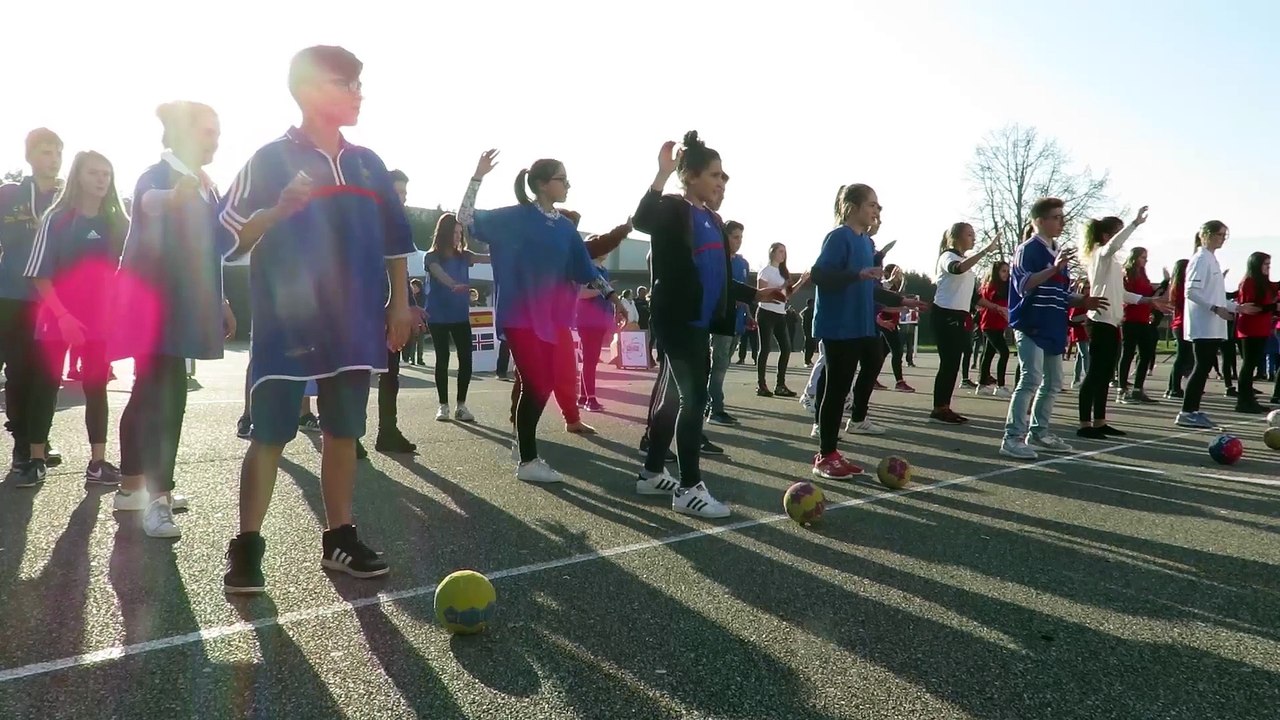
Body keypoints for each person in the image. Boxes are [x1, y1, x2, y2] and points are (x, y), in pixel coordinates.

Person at [219, 46, 416, 594]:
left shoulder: (368, 162)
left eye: (359, 83)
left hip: (353, 323)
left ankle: (340, 537)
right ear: (307, 90)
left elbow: (397, 243)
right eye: (344, 82)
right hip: (289, 323)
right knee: (271, 433)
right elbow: (226, 234)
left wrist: (398, 302)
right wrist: (278, 209)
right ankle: (247, 547)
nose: (357, 92)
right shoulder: (269, 158)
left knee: (343, 432)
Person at [634, 132, 782, 517]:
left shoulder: (712, 220)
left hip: (698, 322)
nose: (721, 182)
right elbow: (641, 219)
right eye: (715, 175)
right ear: (692, 176)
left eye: (723, 177)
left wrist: (754, 295)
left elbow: (715, 274)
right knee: (695, 399)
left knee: (673, 399)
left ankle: (651, 472)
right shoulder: (673, 209)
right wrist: (662, 174)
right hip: (677, 320)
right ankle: (688, 489)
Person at [110, 103, 237, 534]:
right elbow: (146, 203)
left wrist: (220, 302)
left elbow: (210, 251)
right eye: (207, 131)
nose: (215, 139)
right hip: (154, 307)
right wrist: (173, 196)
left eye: (217, 131)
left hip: (185, 306)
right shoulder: (159, 174)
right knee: (165, 399)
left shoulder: (207, 186)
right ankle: (157, 499)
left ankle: (131, 489)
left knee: (149, 393)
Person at [457, 151, 617, 484]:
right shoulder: (515, 217)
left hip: (553, 319)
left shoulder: (565, 228)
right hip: (519, 315)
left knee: (541, 386)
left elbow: (586, 270)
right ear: (542, 185)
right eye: (562, 179)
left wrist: (615, 297)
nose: (568, 185)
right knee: (537, 382)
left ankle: (524, 447)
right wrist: (477, 177)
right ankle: (528, 459)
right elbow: (466, 218)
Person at [21, 150, 129, 489]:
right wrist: (64, 316)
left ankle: (97, 463)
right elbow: (40, 275)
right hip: (57, 318)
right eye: (94, 173)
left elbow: (129, 274)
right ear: (78, 176)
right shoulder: (57, 219)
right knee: (45, 386)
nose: (101, 180)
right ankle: (35, 459)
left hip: (99, 323)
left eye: (106, 174)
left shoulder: (118, 223)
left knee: (97, 389)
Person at [999, 197, 1108, 459]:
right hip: (1031, 324)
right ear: (1039, 221)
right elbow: (1024, 286)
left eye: (1062, 216)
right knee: (1031, 379)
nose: (1062, 221)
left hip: (1053, 325)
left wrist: (1083, 300)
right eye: (1056, 217)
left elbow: (1060, 292)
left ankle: (1039, 432)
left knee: (1053, 382)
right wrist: (1053, 268)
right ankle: (1012, 437)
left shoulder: (1057, 251)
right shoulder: (1028, 249)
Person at [0, 128, 65, 476]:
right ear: (29, 156)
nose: (52, 159)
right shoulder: (8, 194)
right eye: (45, 152)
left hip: (53, 302)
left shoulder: (67, 197)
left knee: (48, 375)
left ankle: (40, 438)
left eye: (57, 152)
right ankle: (22, 443)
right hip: (12, 297)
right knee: (20, 373)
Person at [1076, 208, 1166, 439]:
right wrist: (1135, 223)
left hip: (1112, 322)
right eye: (1115, 232)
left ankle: (1100, 421)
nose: (1120, 238)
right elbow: (1114, 245)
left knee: (1106, 374)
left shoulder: (1111, 263)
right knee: (1095, 373)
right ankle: (1085, 423)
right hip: (1100, 322)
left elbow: (1122, 292)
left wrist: (1147, 300)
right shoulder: (1101, 254)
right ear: (1106, 235)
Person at [1176, 222, 1259, 428]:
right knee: (1201, 366)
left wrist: (1237, 308)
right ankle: (1186, 412)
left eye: (1225, 235)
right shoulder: (1200, 259)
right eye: (1220, 234)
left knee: (1203, 367)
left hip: (1213, 325)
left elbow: (1216, 296)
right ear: (1207, 235)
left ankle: (1192, 409)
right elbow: (1191, 292)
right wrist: (1215, 309)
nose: (1223, 238)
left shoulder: (1212, 259)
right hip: (1202, 324)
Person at [931, 223, 999, 423]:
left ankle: (944, 407)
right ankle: (939, 408)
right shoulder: (948, 257)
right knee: (949, 363)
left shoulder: (966, 264)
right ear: (957, 237)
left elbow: (974, 297)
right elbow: (957, 269)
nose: (973, 238)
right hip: (945, 314)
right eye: (970, 235)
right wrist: (985, 251)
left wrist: (997, 308)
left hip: (960, 317)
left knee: (954, 363)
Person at [424, 212, 487, 422]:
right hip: (438, 315)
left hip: (460, 315)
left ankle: (461, 405)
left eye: (460, 233)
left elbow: (487, 258)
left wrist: (507, 249)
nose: (458, 237)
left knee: (466, 359)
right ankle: (443, 405)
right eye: (454, 232)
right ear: (444, 233)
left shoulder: (465, 255)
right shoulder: (431, 256)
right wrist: (453, 284)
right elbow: (438, 272)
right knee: (442, 358)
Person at [707, 219, 750, 425]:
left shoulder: (742, 263)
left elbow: (744, 294)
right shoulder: (717, 260)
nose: (739, 241)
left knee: (724, 364)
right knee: (719, 366)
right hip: (721, 322)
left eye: (741, 237)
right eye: (735, 237)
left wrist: (748, 315)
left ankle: (711, 403)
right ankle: (716, 409)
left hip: (737, 323)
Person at [755, 242, 807, 397]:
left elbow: (787, 295)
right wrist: (781, 288)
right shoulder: (765, 271)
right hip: (766, 313)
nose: (783, 255)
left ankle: (780, 384)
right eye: (780, 251)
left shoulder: (783, 272)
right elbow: (761, 294)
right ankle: (761, 385)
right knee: (765, 349)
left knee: (786, 348)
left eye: (784, 252)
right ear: (772, 252)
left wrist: (801, 281)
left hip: (780, 314)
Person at [1116, 246, 1161, 404]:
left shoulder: (1143, 274)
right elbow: (1126, 294)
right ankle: (1122, 388)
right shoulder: (1127, 272)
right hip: (1130, 317)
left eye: (1146, 258)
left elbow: (1149, 293)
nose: (1145, 261)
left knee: (1146, 353)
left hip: (1143, 318)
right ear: (1135, 257)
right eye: (1143, 258)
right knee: (1128, 352)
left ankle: (1138, 389)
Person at [1234, 251, 1274, 414]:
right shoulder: (1249, 282)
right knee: (1249, 365)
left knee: (1253, 363)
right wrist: (1272, 308)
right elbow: (1250, 307)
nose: (1268, 268)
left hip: (1261, 327)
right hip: (1250, 328)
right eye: (1265, 264)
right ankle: (1243, 401)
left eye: (1269, 265)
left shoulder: (1264, 282)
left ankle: (1249, 398)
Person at [976, 261, 1012, 396]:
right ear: (996, 272)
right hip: (990, 325)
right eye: (1003, 271)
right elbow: (992, 301)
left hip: (998, 325)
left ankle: (981, 385)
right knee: (1004, 352)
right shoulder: (991, 286)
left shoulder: (1005, 286)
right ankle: (1000, 386)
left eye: (1007, 271)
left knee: (988, 353)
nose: (1006, 274)